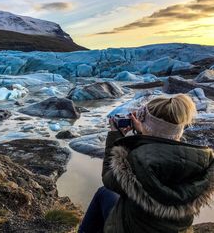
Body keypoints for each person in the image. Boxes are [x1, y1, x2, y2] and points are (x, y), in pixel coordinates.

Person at [79, 94, 214, 233]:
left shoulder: (135, 162)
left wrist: (115, 136)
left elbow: (109, 177)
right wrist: (144, 132)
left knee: (104, 192)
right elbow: (162, 139)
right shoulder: (202, 163)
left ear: (147, 124)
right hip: (174, 229)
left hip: (132, 228)